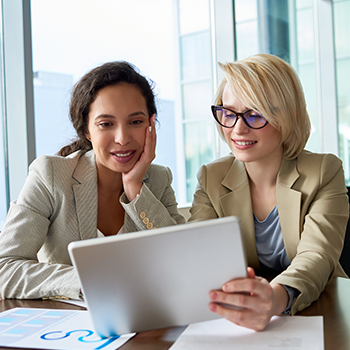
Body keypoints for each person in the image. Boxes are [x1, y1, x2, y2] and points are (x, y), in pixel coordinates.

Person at [188, 53, 349, 331]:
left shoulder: (324, 171)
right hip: (238, 318)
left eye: (255, 114)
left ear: (288, 117)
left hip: (319, 309)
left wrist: (275, 299)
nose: (237, 128)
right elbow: (197, 254)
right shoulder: (211, 177)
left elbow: (317, 256)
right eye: (228, 112)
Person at [0, 61, 185, 300]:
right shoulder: (51, 176)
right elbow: (5, 268)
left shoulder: (158, 180)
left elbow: (183, 261)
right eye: (106, 124)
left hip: (144, 324)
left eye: (136, 122)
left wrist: (136, 190)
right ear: (86, 130)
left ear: (151, 125)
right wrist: (87, 281)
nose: (122, 138)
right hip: (68, 325)